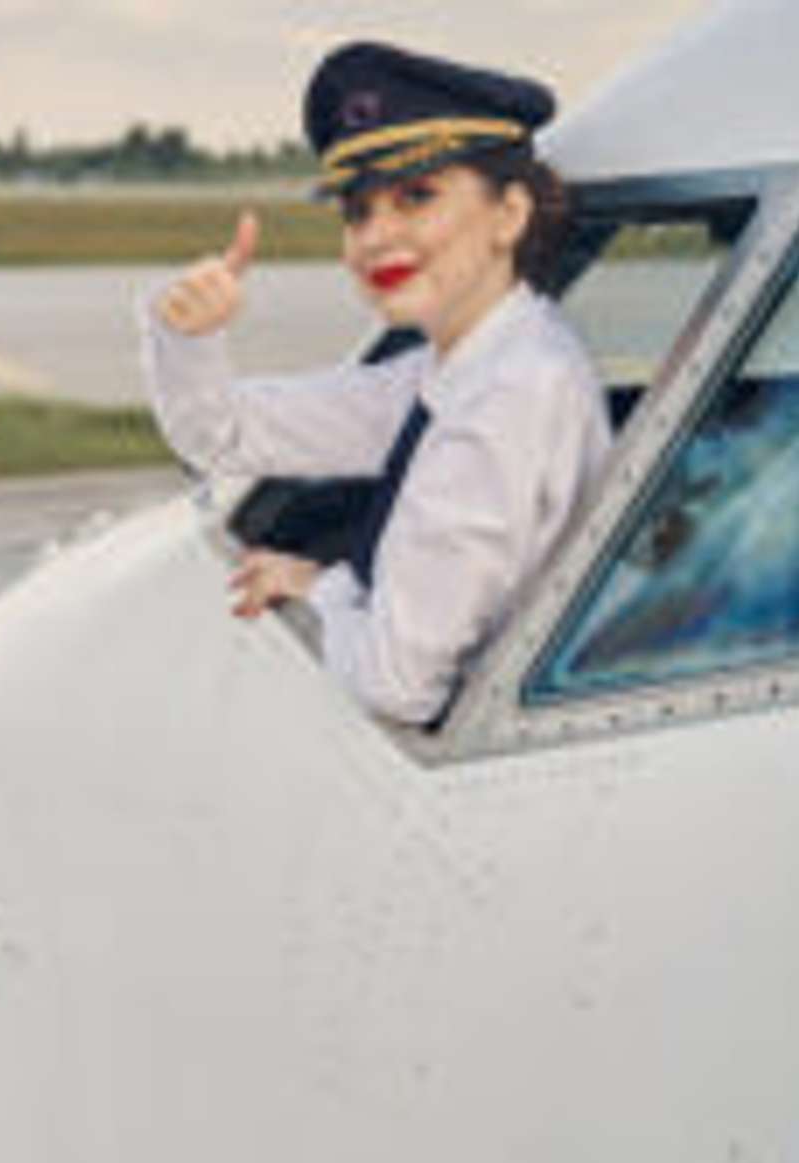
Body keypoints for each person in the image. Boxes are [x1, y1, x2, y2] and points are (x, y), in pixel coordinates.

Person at [139, 42, 612, 726]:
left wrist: (323, 587)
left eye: (417, 196)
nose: (375, 236)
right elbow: (225, 433)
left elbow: (395, 684)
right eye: (357, 211)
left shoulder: (506, 400)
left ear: (508, 216)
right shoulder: (457, 369)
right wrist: (189, 338)